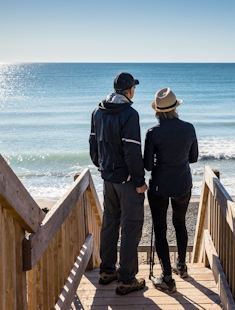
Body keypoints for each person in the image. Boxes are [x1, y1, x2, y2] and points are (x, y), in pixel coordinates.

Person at [89, 72, 148, 295]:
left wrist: (103, 166)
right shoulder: (130, 114)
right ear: (130, 90)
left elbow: (93, 144)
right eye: (134, 87)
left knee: (111, 223)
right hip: (127, 181)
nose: (134, 91)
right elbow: (132, 151)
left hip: (108, 178)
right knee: (131, 226)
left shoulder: (98, 111)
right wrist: (140, 181)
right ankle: (126, 279)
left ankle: (106, 271)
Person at [144, 87, 198, 293]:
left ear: (157, 111)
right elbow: (193, 158)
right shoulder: (189, 128)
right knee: (180, 223)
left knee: (160, 229)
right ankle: (181, 266)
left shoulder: (153, 132)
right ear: (175, 108)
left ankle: (167, 277)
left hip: (159, 186)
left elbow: (148, 165)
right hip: (183, 183)